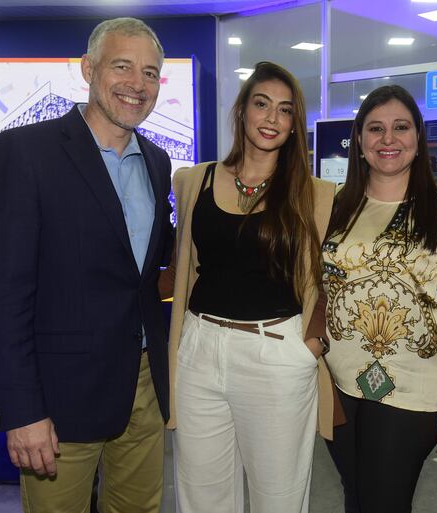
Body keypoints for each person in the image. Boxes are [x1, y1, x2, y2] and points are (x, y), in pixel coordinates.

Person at [0, 17, 173, 513]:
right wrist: (22, 412)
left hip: (144, 387)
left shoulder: (157, 161)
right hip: (60, 403)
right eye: (123, 66)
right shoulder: (26, 152)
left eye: (150, 73)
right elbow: (3, 297)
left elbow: (144, 276)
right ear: (88, 68)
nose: (137, 84)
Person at [166, 61, 336, 513]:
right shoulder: (192, 181)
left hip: (276, 352)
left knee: (278, 497)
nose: (271, 119)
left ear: (294, 125)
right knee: (201, 496)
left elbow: (334, 277)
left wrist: (311, 346)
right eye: (261, 104)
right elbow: (182, 265)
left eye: (284, 111)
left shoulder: (315, 193)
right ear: (241, 111)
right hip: (200, 349)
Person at [322, 84, 437, 513]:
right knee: (356, 497)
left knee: (384, 502)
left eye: (401, 127)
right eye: (375, 129)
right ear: (359, 139)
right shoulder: (333, 207)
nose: (388, 139)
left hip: (411, 394)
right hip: (336, 385)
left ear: (418, 137)